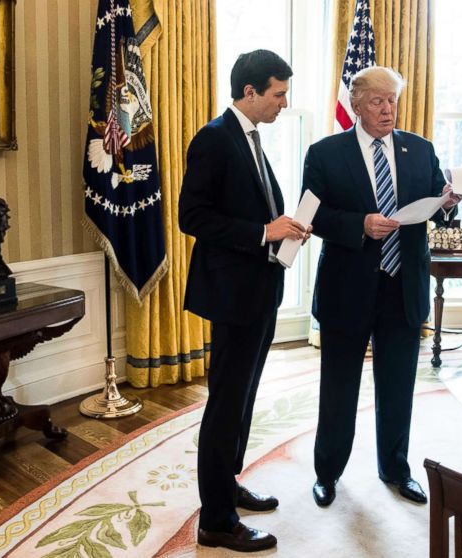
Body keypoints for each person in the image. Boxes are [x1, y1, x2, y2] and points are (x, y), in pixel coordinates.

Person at [302, 66, 462, 509]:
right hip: (346, 289)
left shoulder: (420, 149)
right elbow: (311, 217)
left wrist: (449, 203)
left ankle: (396, 469)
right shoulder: (325, 153)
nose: (388, 109)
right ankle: (327, 473)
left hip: (403, 288)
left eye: (392, 100)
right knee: (339, 389)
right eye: (377, 101)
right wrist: (359, 224)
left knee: (397, 387)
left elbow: (437, 204)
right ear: (356, 105)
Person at [178, 49, 309, 553]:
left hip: (259, 290)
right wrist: (263, 230)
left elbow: (258, 209)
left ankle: (226, 486)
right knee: (226, 404)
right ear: (250, 92)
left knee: (244, 399)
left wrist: (286, 229)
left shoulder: (250, 139)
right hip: (232, 295)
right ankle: (215, 520)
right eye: (278, 94)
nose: (284, 103)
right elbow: (194, 217)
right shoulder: (214, 139)